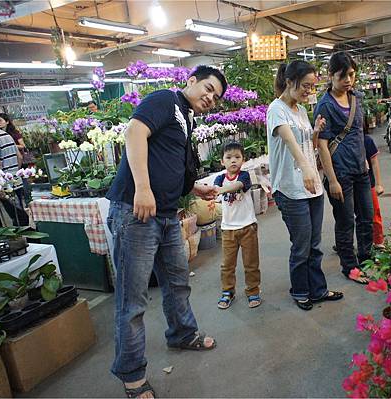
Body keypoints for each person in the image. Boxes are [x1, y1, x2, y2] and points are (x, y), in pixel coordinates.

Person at [105, 65, 227, 399]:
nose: (210, 98)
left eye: (215, 97)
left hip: (168, 215)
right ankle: (131, 375)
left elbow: (171, 162)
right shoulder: (163, 100)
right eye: (207, 88)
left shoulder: (186, 117)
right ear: (190, 81)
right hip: (136, 212)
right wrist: (142, 189)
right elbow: (134, 133)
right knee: (133, 300)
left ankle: (182, 334)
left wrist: (194, 189)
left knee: (177, 282)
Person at [267, 60, 343, 311]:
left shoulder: (300, 110)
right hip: (290, 188)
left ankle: (318, 289)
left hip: (311, 188)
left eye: (312, 87)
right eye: (306, 86)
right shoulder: (276, 109)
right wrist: (307, 168)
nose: (309, 91)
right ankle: (300, 290)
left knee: (314, 244)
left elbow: (305, 143)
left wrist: (316, 131)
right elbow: (289, 141)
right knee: (301, 246)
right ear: (290, 82)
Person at [315, 51, 374, 285]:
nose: (348, 80)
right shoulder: (325, 105)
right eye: (342, 76)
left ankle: (367, 258)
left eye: (351, 74)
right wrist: (333, 180)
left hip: (361, 168)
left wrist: (366, 159)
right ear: (331, 76)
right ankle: (349, 266)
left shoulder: (356, 97)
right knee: (345, 220)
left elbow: (360, 132)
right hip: (341, 173)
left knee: (366, 216)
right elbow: (322, 145)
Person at [213, 141, 261, 310]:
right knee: (227, 265)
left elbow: (237, 186)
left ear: (243, 159)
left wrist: (219, 190)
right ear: (222, 161)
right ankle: (227, 291)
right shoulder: (219, 178)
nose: (233, 160)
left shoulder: (244, 176)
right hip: (228, 230)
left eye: (237, 157)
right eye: (228, 157)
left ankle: (253, 290)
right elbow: (214, 191)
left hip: (248, 227)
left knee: (251, 263)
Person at [363, 132, 385, 248]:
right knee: (347, 216)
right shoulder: (341, 140)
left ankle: (378, 240)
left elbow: (374, 163)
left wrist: (378, 184)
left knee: (374, 212)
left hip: (368, 183)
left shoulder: (366, 140)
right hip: (348, 184)